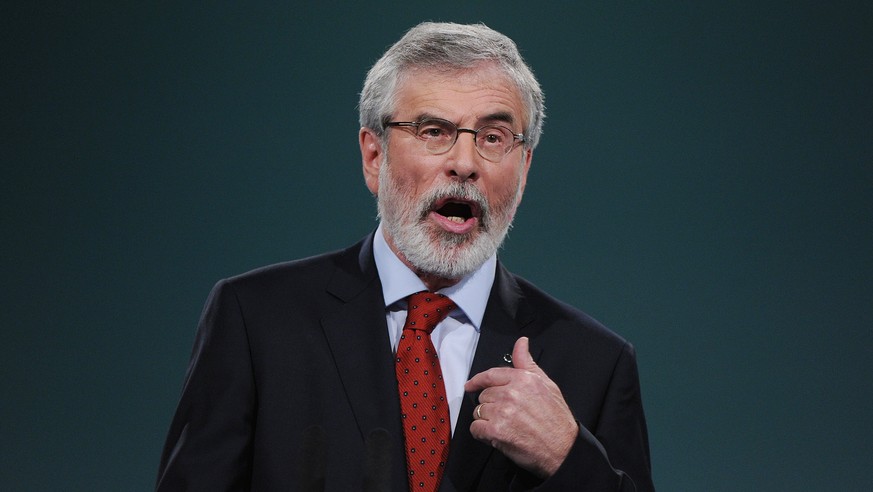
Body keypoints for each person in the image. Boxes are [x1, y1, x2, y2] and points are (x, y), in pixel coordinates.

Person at [156, 22, 654, 492]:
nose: (464, 163)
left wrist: (567, 458)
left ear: (523, 168)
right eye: (433, 131)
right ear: (374, 157)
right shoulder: (256, 319)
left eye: (493, 138)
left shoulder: (595, 363)